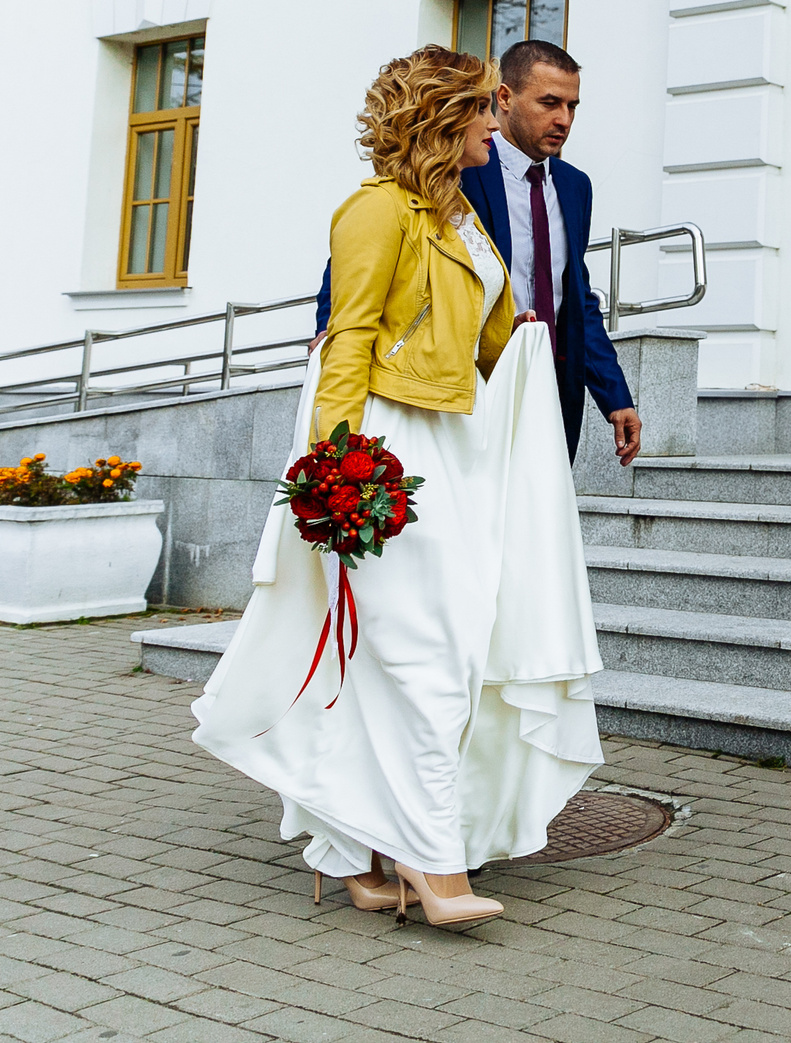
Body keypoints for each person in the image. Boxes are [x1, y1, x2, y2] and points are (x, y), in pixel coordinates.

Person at [194, 47, 605, 930]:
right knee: (426, 650)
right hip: (391, 449)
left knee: (427, 650)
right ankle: (430, 855)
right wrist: (336, 471)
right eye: (482, 113)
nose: (497, 124)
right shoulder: (375, 212)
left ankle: (352, 848)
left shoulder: (455, 214)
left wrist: (531, 359)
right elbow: (345, 343)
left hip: (459, 448)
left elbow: (493, 334)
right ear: (442, 118)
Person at [319, 38, 640, 466]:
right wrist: (331, 339)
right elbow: (354, 276)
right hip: (454, 394)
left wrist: (613, 392)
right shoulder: (455, 175)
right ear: (504, 98)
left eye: (572, 106)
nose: (563, 119)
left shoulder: (575, 186)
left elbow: (576, 295)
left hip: (549, 382)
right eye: (549, 103)